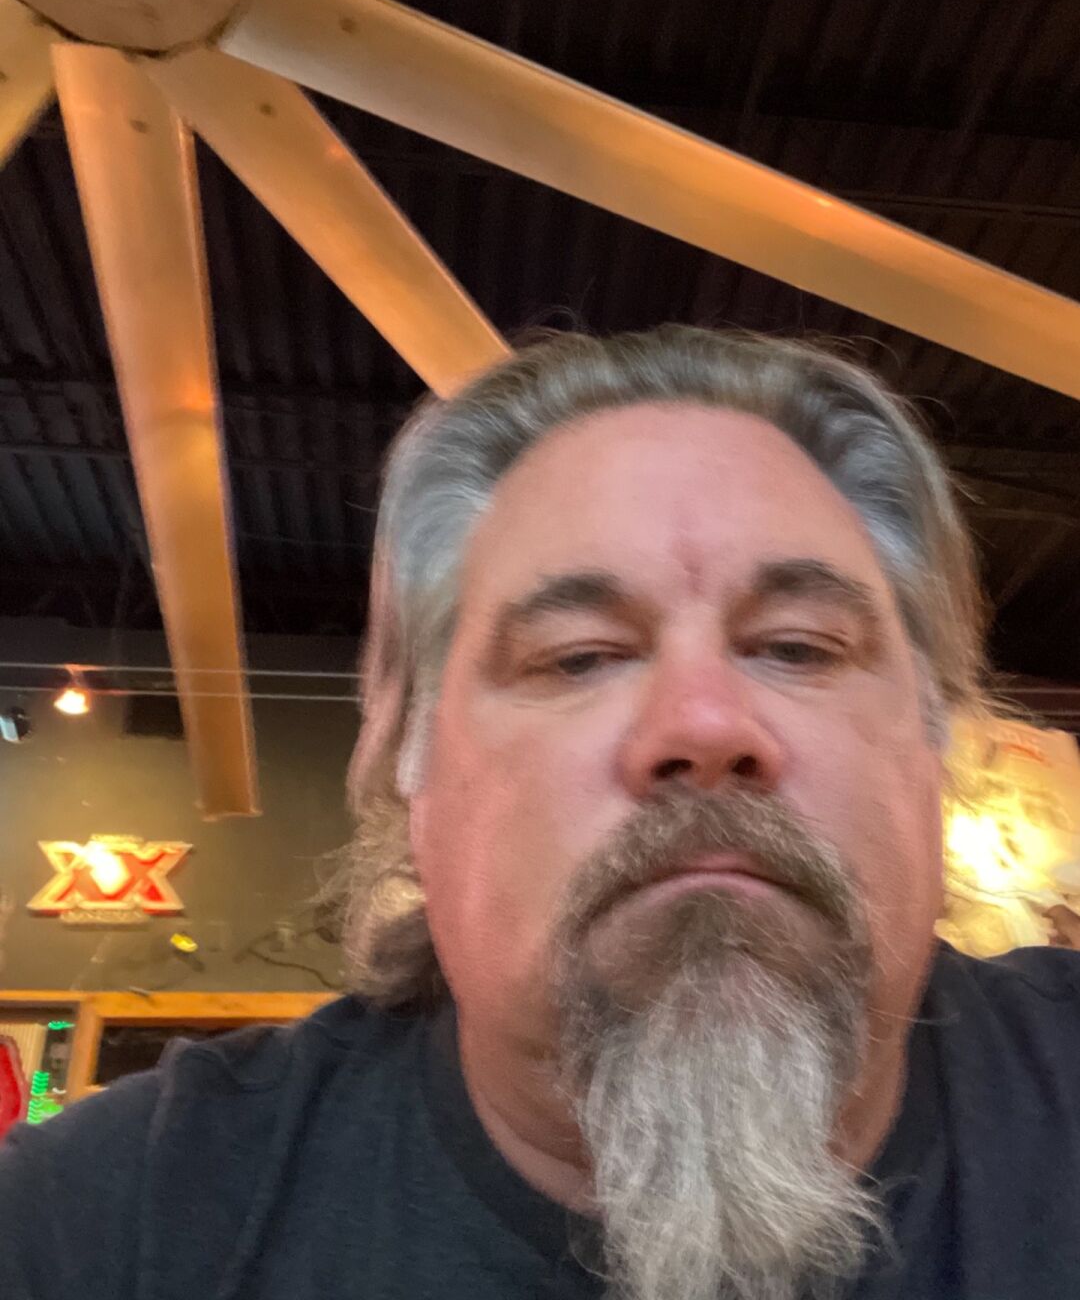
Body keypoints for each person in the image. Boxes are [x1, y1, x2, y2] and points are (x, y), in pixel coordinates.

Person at [2, 325, 1079, 1300]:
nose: (704, 722)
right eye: (580, 657)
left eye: (798, 647)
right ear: (410, 768)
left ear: (935, 748)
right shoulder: (95, 1228)